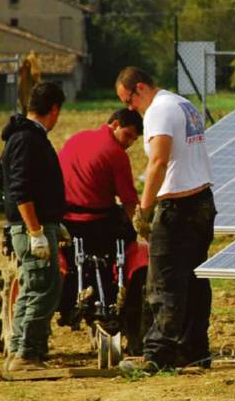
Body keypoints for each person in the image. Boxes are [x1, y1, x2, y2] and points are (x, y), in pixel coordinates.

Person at [115, 66, 216, 372]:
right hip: (203, 202)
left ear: (141, 88)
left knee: (163, 283)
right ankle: (194, 351)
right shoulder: (181, 104)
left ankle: (157, 356)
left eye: (130, 99)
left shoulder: (158, 111)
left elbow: (158, 162)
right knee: (195, 282)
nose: (131, 108)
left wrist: (144, 212)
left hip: (178, 208)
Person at [56, 109, 143, 338]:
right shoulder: (116, 154)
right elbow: (128, 200)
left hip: (65, 221)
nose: (130, 143)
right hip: (97, 223)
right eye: (129, 135)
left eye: (135, 139)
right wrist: (141, 227)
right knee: (128, 238)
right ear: (115, 125)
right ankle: (115, 288)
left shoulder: (76, 139)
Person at [0, 82, 66, 372]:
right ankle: (27, 355)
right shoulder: (28, 139)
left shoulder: (24, 136)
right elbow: (21, 190)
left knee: (32, 288)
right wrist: (37, 231)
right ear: (54, 109)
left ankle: (20, 352)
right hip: (30, 229)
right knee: (43, 289)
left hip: (35, 225)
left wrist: (53, 221)